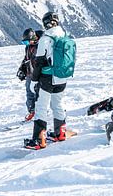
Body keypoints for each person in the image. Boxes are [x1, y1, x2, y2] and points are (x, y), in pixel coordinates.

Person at [24, 11, 76, 149]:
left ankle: (39, 140)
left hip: (47, 78)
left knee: (41, 107)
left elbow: (39, 62)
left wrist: (34, 80)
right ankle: (60, 133)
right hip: (62, 77)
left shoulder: (46, 38)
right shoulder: (64, 35)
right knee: (57, 104)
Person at [17, 28, 43, 121]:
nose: (26, 44)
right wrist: (22, 69)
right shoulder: (28, 47)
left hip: (39, 74)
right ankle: (32, 111)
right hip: (30, 74)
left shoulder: (41, 45)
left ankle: (40, 112)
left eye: (27, 42)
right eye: (25, 43)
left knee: (39, 93)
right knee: (29, 93)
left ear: (34, 38)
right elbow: (26, 59)